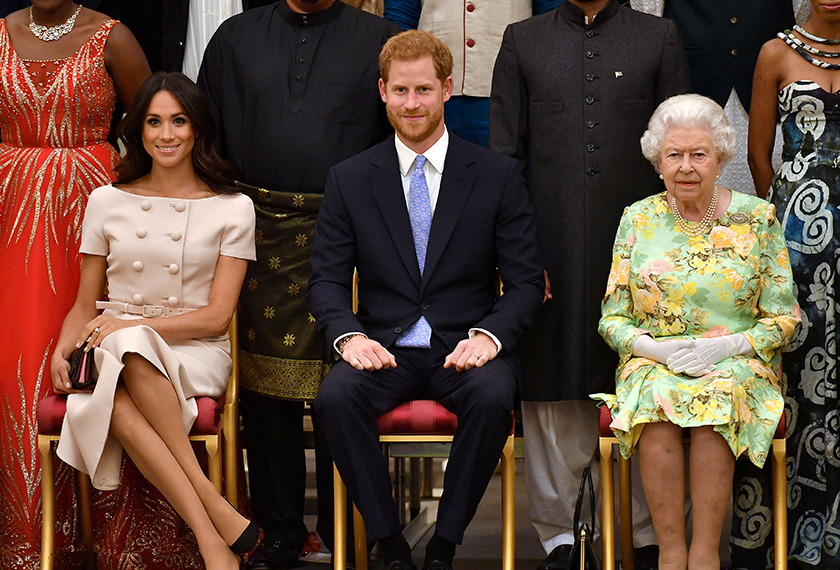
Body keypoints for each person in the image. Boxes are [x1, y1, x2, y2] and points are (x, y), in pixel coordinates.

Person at [308, 30, 544, 570]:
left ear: (447, 89)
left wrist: (490, 335)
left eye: (423, 90)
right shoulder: (349, 178)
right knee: (335, 398)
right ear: (382, 93)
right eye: (400, 91)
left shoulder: (495, 175)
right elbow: (324, 279)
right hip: (383, 348)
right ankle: (389, 541)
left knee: (491, 396)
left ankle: (444, 545)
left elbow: (527, 282)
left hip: (465, 349)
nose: (411, 104)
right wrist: (348, 336)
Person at [488, 1, 690, 568]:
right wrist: (520, 259)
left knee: (645, 383)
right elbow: (507, 158)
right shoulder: (523, 39)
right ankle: (557, 537)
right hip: (547, 246)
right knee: (553, 383)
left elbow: (679, 153)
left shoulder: (658, 37)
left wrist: (676, 257)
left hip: (642, 252)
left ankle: (648, 533)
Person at [198, 2, 400, 567]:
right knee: (264, 393)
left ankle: (346, 529)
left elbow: (404, 136)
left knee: (347, 384)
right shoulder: (235, 37)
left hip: (353, 233)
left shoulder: (381, 39)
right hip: (256, 232)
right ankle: (280, 531)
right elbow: (207, 135)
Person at [50, 72, 259, 570]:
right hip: (113, 343)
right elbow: (85, 305)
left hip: (195, 349)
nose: (167, 134)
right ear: (138, 131)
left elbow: (217, 316)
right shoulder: (107, 200)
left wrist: (126, 328)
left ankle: (210, 524)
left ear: (197, 129)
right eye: (154, 121)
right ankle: (213, 524)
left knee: (126, 357)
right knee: (118, 375)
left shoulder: (234, 207)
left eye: (179, 121)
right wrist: (60, 348)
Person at [594, 93, 800, 570]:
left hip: (739, 362)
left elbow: (784, 317)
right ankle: (670, 554)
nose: (686, 167)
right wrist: (657, 351)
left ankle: (706, 554)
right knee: (656, 396)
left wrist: (730, 345)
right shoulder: (638, 218)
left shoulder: (757, 218)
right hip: (655, 360)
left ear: (721, 156)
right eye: (674, 155)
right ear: (657, 159)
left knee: (716, 395)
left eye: (698, 154)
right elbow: (613, 317)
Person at [0, 1, 150, 566]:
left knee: (95, 349)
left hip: (94, 205)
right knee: (17, 357)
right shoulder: (0, 34)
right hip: (10, 208)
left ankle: (112, 529)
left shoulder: (114, 38)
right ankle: (34, 533)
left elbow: (149, 122)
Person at [745, 1, 840, 566]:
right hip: (796, 240)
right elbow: (761, 155)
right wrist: (781, 226)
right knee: (797, 375)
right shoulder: (775, 53)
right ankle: (786, 539)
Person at [382, 0, 562, 147]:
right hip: (430, 93)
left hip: (515, 90)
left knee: (503, 176)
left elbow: (552, 18)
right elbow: (399, 18)